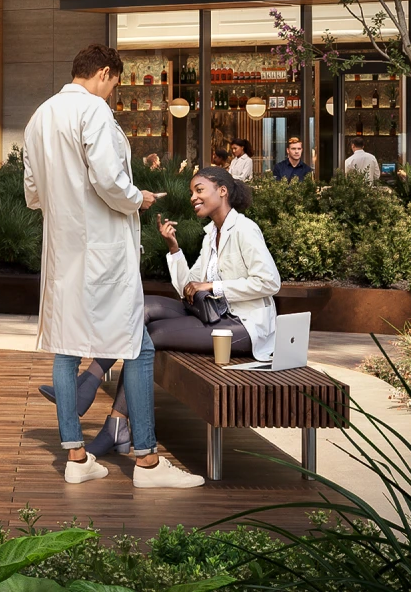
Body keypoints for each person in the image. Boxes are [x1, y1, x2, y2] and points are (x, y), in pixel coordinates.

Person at [23, 43, 202, 489]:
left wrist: (70, 204)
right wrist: (135, 198)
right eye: (116, 85)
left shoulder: (39, 117)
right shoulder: (94, 112)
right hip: (101, 250)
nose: (113, 94)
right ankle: (146, 460)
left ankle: (77, 456)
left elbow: (33, 192)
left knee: (66, 347)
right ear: (105, 73)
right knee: (137, 346)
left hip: (62, 251)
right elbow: (108, 180)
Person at [48, 167, 282, 455]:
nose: (193, 197)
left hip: (243, 326)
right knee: (141, 307)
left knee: (151, 336)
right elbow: (188, 286)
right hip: (212, 314)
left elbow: (270, 282)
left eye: (199, 189)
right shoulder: (212, 234)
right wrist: (173, 247)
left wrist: (214, 286)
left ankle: (115, 421)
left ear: (222, 190)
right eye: (191, 193)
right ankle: (91, 381)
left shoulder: (245, 229)